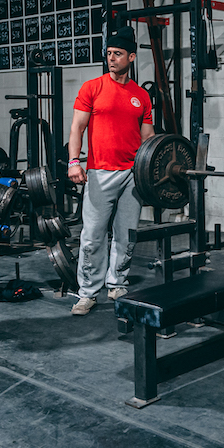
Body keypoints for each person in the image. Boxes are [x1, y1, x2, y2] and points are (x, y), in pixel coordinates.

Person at [68, 26, 154, 316]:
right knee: (92, 235)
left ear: (131, 57)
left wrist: (150, 172)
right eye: (108, 53)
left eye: (118, 53)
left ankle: (117, 282)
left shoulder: (141, 96)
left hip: (132, 174)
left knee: (126, 234)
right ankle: (87, 293)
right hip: (100, 171)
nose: (111, 58)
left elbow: (149, 139)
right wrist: (74, 161)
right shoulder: (92, 88)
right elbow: (77, 127)